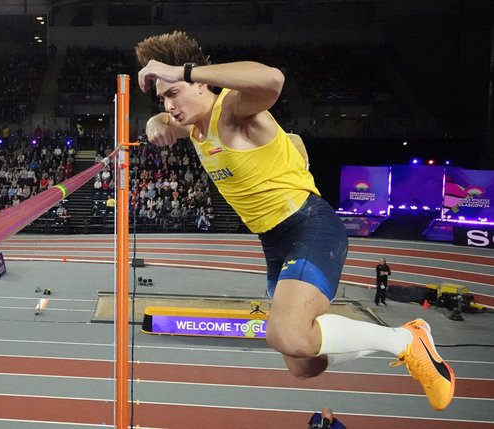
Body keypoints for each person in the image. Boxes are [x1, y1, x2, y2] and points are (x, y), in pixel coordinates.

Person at [135, 31, 455, 411]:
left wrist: (179, 70)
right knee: (303, 364)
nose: (169, 105)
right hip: (275, 243)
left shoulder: (234, 111)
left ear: (201, 82)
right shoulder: (192, 123)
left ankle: (408, 342)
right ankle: (398, 337)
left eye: (173, 94)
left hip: (308, 225)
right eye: (162, 99)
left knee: (287, 333)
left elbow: (272, 79)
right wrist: (156, 119)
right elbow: (167, 124)